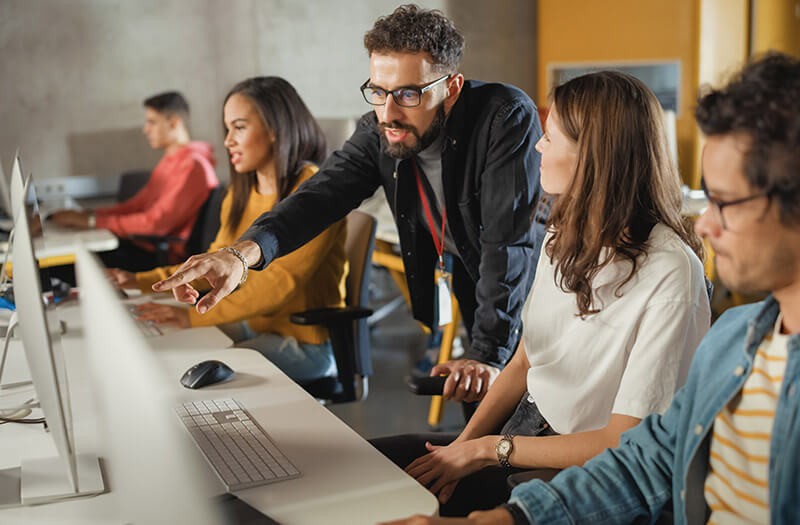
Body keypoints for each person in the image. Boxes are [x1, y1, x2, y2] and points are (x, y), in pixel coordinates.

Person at [383, 52, 800, 525]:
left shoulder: (672, 273)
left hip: (549, 457)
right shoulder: (736, 340)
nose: (704, 224)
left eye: (723, 202)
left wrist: (485, 454)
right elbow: (644, 462)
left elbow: (627, 454)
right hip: (528, 431)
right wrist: (470, 464)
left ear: (593, 156)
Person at [151, 4, 547, 405]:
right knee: (480, 404)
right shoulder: (379, 132)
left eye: (409, 94)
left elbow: (506, 244)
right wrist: (239, 255)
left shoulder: (504, 117)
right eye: (378, 92)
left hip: (538, 282)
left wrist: (487, 353)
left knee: (534, 404)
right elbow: (317, 197)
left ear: (452, 88)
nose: (388, 114)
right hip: (470, 273)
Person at [107, 77, 347, 383]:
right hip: (254, 325)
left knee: (187, 372)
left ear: (275, 129)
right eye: (228, 128)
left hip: (306, 345)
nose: (227, 140)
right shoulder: (242, 192)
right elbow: (215, 260)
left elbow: (276, 285)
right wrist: (141, 281)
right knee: (163, 349)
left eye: (240, 127)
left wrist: (191, 315)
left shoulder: (314, 192)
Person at [51, 91, 219, 271]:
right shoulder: (171, 160)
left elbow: (156, 224)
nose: (146, 129)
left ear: (174, 122)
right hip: (140, 244)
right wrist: (88, 215)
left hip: (156, 256)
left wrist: (92, 221)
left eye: (152, 122)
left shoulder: (193, 166)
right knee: (65, 256)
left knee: (63, 265)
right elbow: (136, 205)